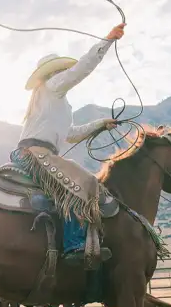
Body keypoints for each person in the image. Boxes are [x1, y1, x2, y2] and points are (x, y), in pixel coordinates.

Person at [12, 22, 126, 268]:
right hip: (36, 154)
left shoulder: (54, 101)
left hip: (34, 153)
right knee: (83, 182)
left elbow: (71, 134)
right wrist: (107, 40)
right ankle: (75, 244)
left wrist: (100, 124)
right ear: (53, 74)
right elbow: (82, 69)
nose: (64, 74)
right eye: (61, 71)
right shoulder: (52, 87)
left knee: (76, 178)